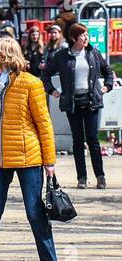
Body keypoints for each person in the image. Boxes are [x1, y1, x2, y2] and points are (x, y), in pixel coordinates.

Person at [0, 36, 60, 261]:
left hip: (28, 157)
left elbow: (44, 124)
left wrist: (49, 162)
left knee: (35, 211)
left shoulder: (31, 83)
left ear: (4, 57)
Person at [42, 22, 115, 189]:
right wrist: (52, 90)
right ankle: (81, 178)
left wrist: (107, 86)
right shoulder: (62, 55)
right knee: (78, 140)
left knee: (93, 139)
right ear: (74, 37)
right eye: (82, 35)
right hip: (72, 103)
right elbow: (45, 73)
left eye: (87, 34)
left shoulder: (93, 53)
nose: (86, 38)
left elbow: (107, 71)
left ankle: (100, 176)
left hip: (91, 101)